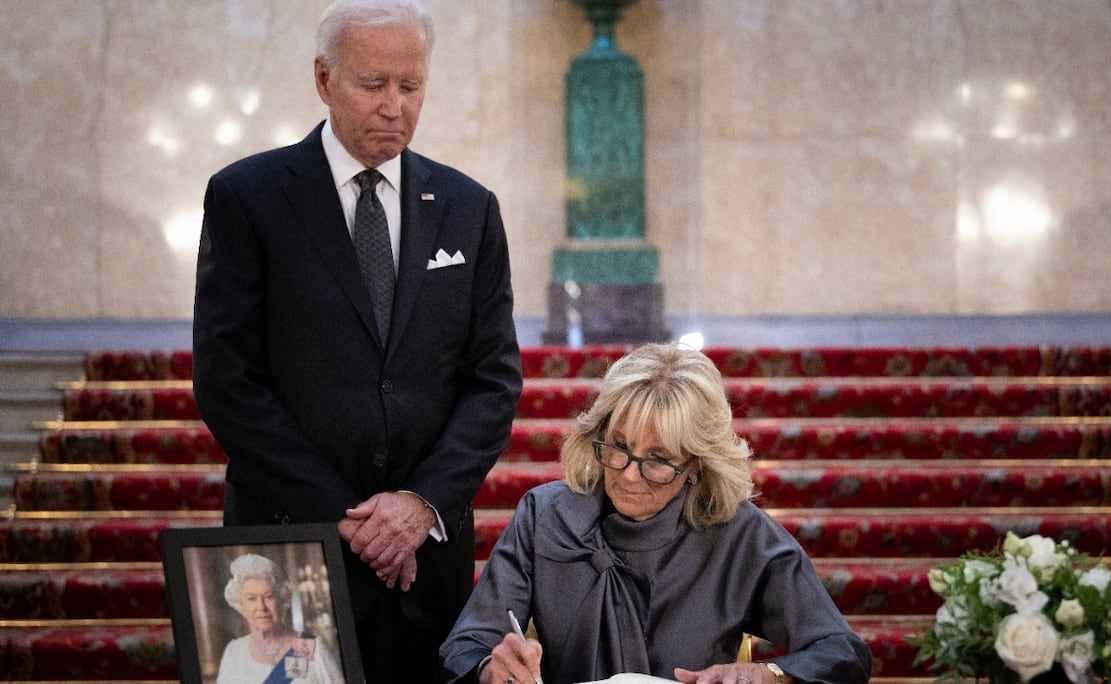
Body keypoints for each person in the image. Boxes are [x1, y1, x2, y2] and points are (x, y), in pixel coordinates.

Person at [191, 0, 523, 681]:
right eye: (374, 85)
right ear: (324, 79)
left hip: (425, 561)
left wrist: (420, 504)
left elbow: (493, 380)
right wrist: (345, 519)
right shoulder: (247, 197)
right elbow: (228, 381)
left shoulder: (469, 207)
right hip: (288, 555)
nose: (395, 106)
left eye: (412, 85)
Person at [439, 343, 873, 684]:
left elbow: (842, 652)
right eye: (619, 447)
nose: (629, 475)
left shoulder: (740, 535)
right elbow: (467, 644)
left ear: (696, 466)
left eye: (658, 459)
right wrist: (488, 669)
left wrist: (771, 674)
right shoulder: (546, 516)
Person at [216, 553, 344, 684]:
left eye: (268, 596)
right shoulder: (234, 652)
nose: (261, 607)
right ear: (240, 606)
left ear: (282, 601)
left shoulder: (313, 648)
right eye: (251, 598)